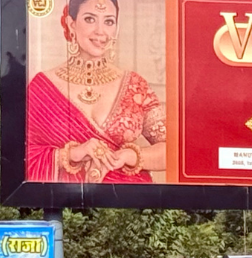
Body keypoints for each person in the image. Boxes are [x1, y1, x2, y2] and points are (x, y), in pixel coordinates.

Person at [27, 0, 167, 183]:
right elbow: (17, 157)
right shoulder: (42, 88)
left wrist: (128, 156)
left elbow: (173, 151)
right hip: (63, 205)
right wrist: (71, 154)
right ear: (71, 24)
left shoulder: (135, 86)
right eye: (90, 19)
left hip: (127, 206)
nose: (100, 31)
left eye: (109, 22)